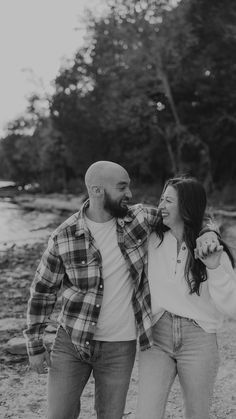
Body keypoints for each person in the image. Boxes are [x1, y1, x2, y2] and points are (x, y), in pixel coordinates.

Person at [24, 162, 219, 419]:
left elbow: (187, 212)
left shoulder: (138, 219)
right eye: (122, 187)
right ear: (96, 190)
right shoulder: (64, 235)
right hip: (71, 340)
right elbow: (42, 291)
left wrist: (208, 232)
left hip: (119, 346)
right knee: (58, 414)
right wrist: (35, 345)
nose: (129, 193)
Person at [136, 176, 236, 419]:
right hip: (157, 336)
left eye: (168, 200)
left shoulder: (212, 249)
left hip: (199, 339)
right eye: (161, 199)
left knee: (197, 414)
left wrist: (212, 266)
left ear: (187, 206)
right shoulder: (152, 239)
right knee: (146, 413)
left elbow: (231, 307)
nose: (160, 206)